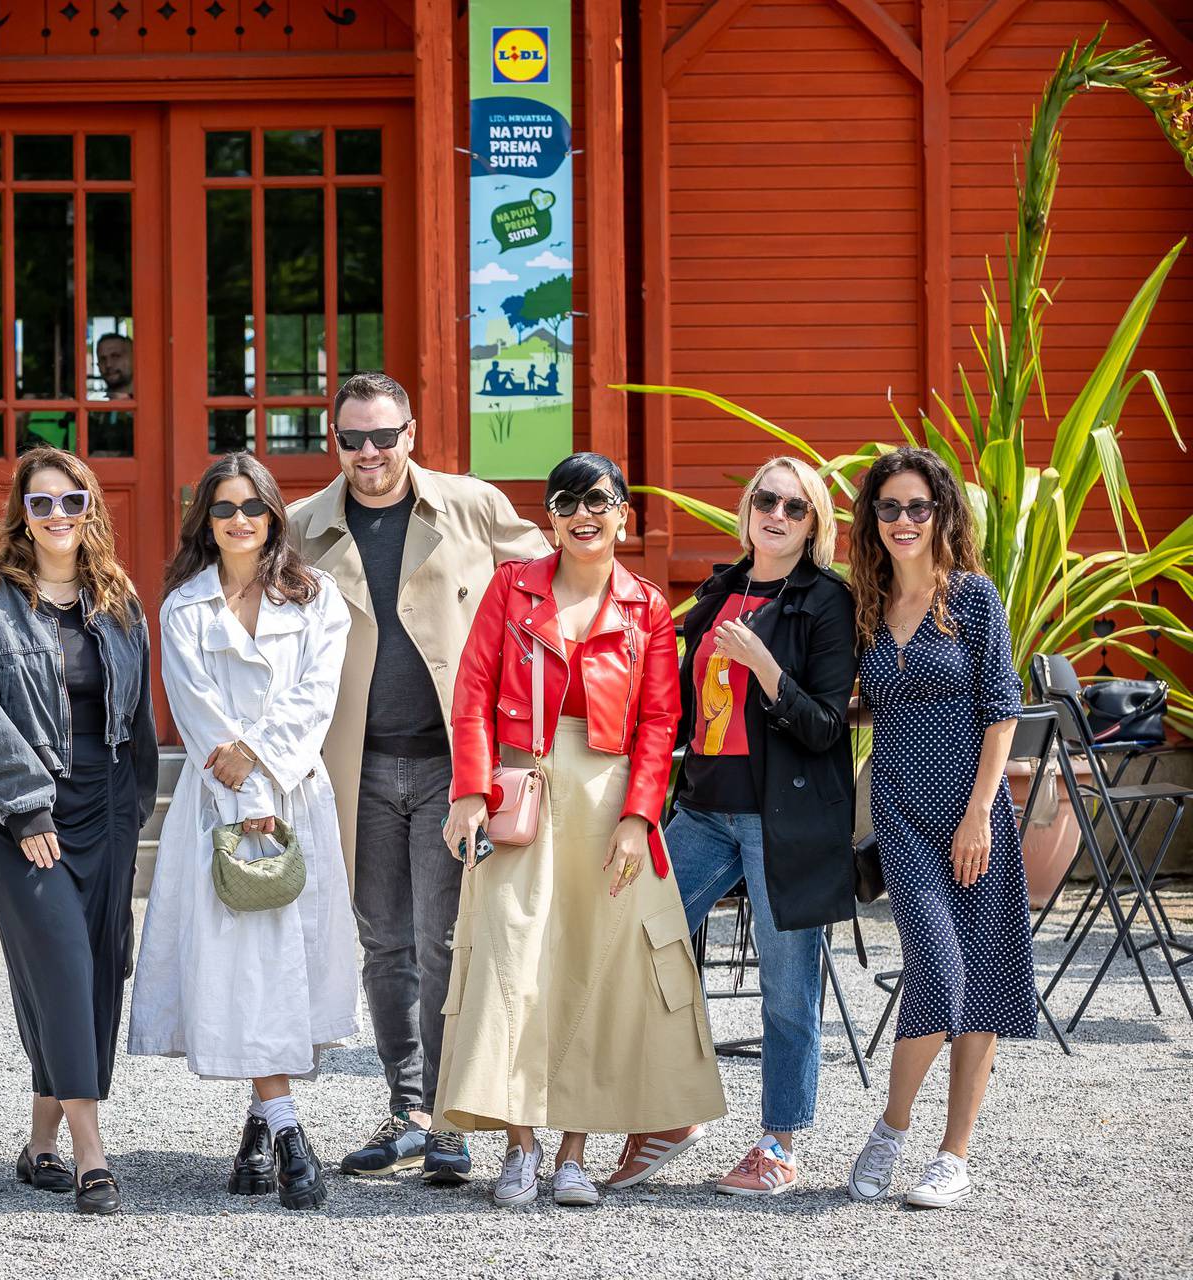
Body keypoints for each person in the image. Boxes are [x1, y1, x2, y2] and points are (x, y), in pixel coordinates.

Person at [437, 452, 725, 1209]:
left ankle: (574, 1151)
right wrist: (469, 790)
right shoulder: (512, 586)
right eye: (565, 500)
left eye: (598, 498)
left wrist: (639, 815)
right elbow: (471, 689)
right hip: (519, 784)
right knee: (511, 957)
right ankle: (518, 1145)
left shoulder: (647, 607)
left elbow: (663, 719)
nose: (582, 512)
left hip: (606, 794)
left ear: (623, 513)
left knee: (593, 967)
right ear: (551, 519)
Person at [285, 371, 547, 1185]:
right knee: (383, 942)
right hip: (353, 764)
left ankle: (449, 1115)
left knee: (442, 942)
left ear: (411, 433)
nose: (368, 453)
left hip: (451, 765)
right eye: (351, 439)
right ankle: (407, 1109)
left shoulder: (470, 505)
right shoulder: (302, 528)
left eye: (382, 436)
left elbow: (553, 581)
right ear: (336, 442)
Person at [614, 456, 855, 1197]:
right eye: (765, 500)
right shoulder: (718, 591)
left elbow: (823, 725)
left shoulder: (825, 601)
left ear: (814, 524)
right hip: (704, 809)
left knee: (787, 992)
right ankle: (672, 1115)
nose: (776, 514)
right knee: (630, 939)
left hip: (783, 821)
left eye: (796, 507)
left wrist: (766, 668)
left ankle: (779, 1144)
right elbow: (678, 706)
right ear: (747, 509)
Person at [127, 454, 356, 1211]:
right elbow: (196, 711)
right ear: (206, 520)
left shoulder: (318, 598)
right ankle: (288, 1133)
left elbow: (315, 698)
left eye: (252, 507)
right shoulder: (184, 606)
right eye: (224, 509)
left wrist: (259, 763)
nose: (238, 521)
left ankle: (262, 1130)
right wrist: (244, 780)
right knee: (247, 963)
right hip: (219, 804)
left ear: (272, 515)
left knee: (286, 964)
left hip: (292, 797)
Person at [0, 447, 159, 1216]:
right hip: (21, 815)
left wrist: (132, 810)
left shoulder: (119, 602)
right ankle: (92, 1154)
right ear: (20, 516)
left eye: (71, 502)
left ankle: (40, 1144)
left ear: (90, 509)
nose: (58, 516)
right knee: (61, 964)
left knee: (96, 973)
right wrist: (27, 805)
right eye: (41, 505)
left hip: (105, 812)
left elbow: (137, 720)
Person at [845, 447, 1037, 1210]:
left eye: (916, 507)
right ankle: (892, 1130)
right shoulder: (867, 604)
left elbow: (1001, 707)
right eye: (888, 508)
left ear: (941, 513)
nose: (902, 520)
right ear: (874, 520)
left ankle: (952, 1155)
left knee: (980, 983)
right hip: (900, 810)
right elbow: (862, 701)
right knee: (939, 969)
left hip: (970, 814)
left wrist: (981, 813)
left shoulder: (975, 599)